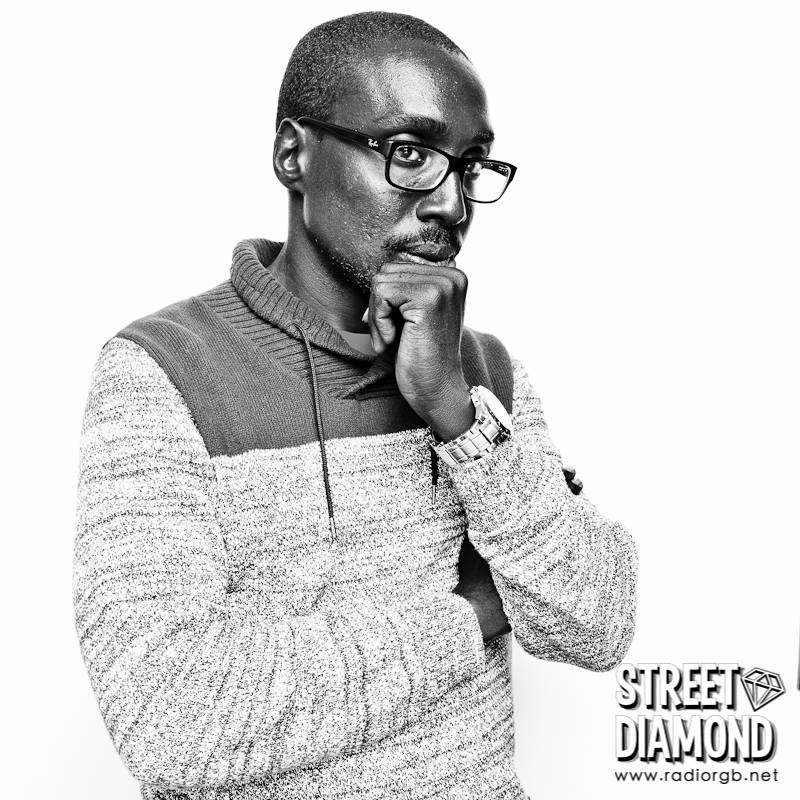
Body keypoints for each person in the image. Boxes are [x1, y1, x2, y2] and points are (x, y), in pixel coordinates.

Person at [73, 11, 637, 800]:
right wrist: (472, 613)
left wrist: (457, 413)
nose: (451, 204)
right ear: (293, 153)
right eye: (410, 153)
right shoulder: (164, 370)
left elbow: (596, 623)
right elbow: (171, 720)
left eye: (471, 165)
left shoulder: (482, 373)